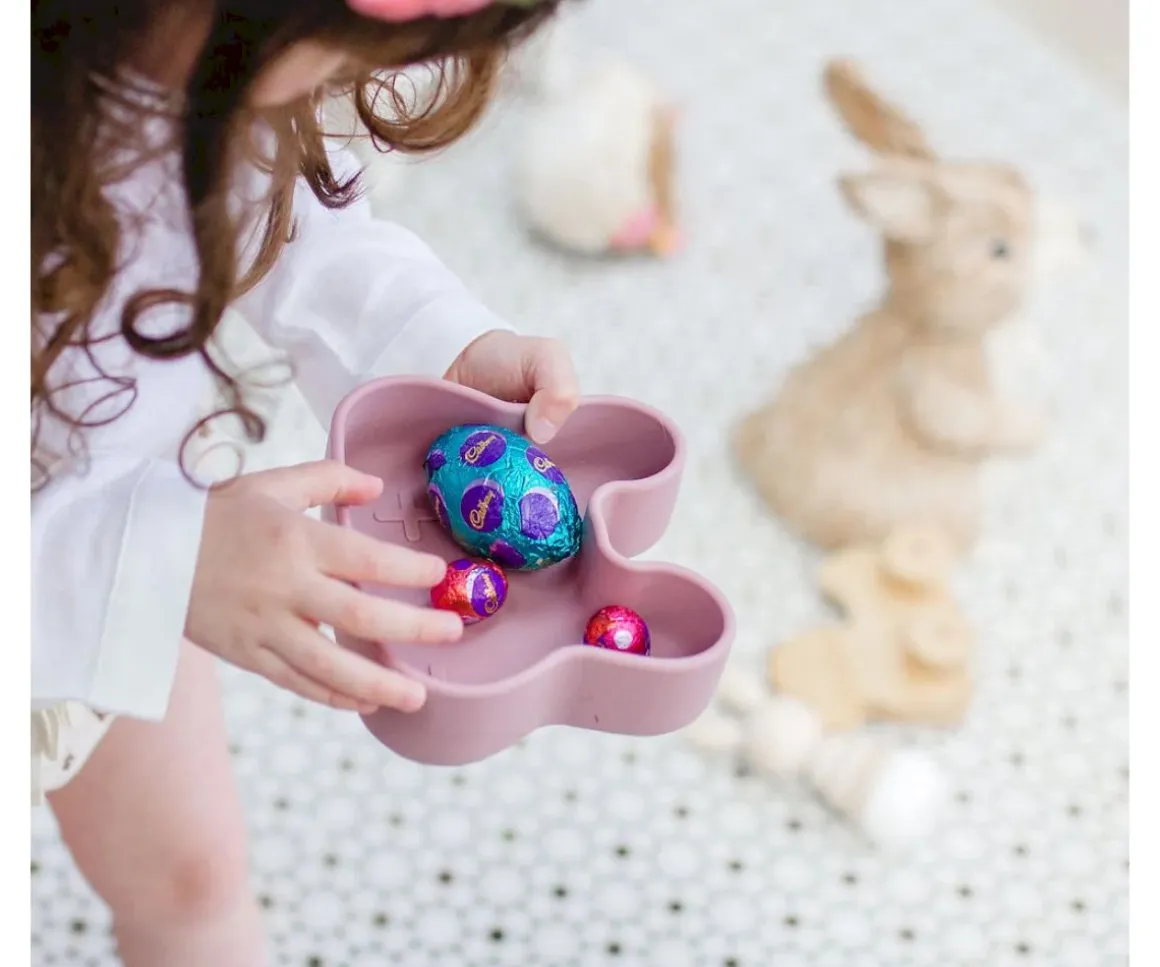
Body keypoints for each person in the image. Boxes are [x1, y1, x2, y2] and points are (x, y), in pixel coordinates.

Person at [31, 1, 574, 963]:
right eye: (345, 53)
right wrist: (155, 565)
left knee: (193, 879)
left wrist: (434, 345)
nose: (345, 88)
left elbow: (288, 224)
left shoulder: (203, 73)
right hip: (83, 571)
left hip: (134, 556)